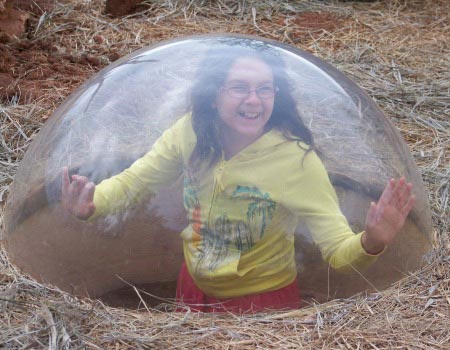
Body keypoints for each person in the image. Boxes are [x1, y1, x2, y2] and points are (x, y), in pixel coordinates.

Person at [61, 45, 415, 313]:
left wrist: (371, 240)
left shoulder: (296, 160)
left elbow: (337, 250)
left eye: (265, 89)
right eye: (239, 88)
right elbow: (136, 179)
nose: (254, 100)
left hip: (262, 303)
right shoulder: (190, 132)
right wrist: (95, 202)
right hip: (192, 287)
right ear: (214, 95)